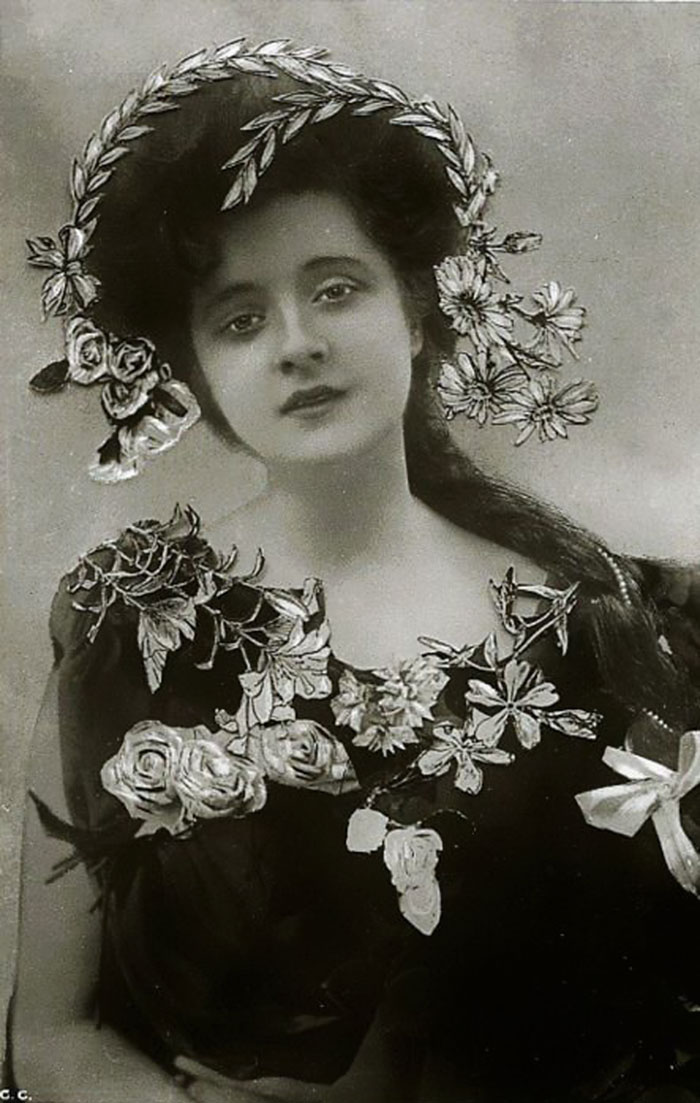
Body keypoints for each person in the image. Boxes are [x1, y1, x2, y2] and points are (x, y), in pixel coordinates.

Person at [9, 38, 700, 1103]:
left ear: (415, 313)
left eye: (334, 289)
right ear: (197, 371)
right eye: (240, 319)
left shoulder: (601, 624)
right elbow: (51, 1033)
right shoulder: (123, 619)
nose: (295, 343)